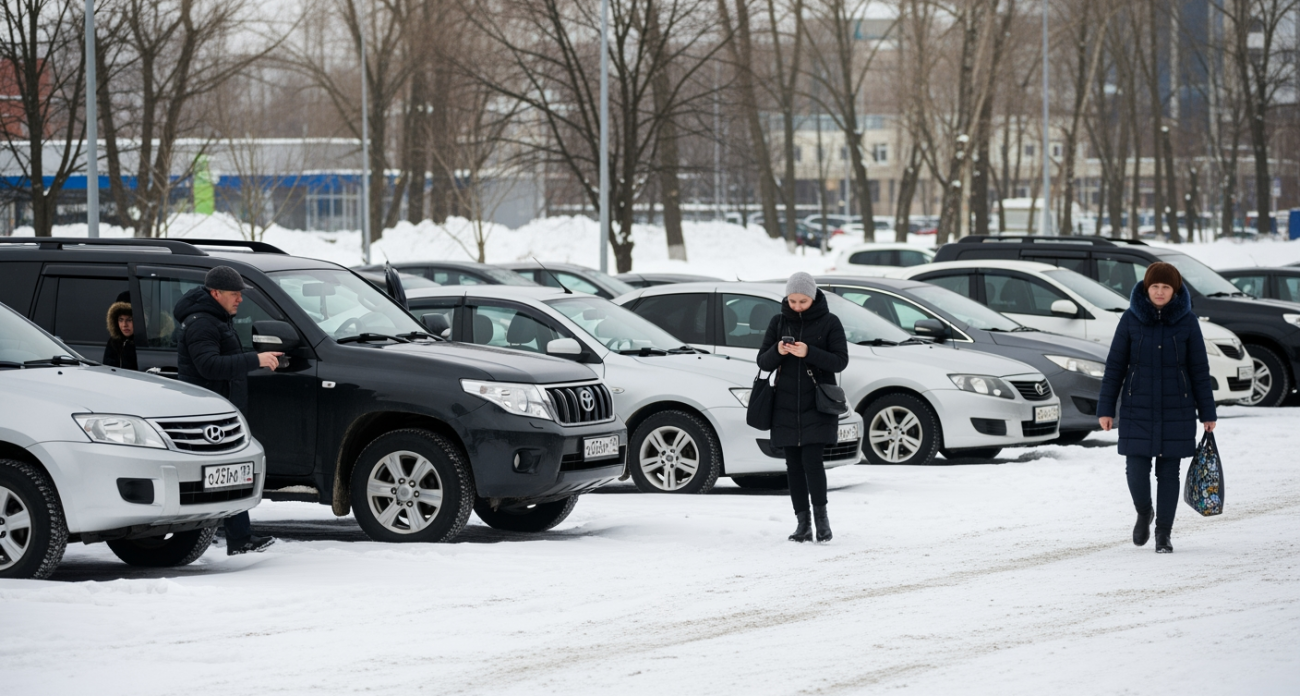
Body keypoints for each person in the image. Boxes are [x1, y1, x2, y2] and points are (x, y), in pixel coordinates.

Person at [1097, 262, 1216, 554]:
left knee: (1169, 472)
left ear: (1174, 290)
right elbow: (1115, 366)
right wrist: (1106, 408)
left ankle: (1164, 533)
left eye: (1165, 287)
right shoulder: (1130, 319)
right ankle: (1143, 511)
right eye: (1155, 287)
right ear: (1146, 289)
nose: (1160, 292)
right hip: (1138, 405)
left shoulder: (1188, 321)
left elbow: (1199, 369)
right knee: (1135, 468)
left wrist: (1208, 412)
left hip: (1178, 407)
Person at [175, 266, 284, 556]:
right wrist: (255, 359)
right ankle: (222, 538)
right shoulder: (202, 323)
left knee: (227, 472)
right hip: (206, 414)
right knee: (219, 473)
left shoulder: (216, 318)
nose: (240, 300)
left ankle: (239, 537)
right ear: (216, 293)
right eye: (235, 294)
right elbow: (208, 366)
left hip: (220, 410)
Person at [757, 272, 849, 543]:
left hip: (817, 404)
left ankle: (822, 521)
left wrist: (809, 352)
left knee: (813, 463)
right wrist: (779, 351)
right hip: (784, 405)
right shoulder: (778, 322)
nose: (797, 306)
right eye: (793, 300)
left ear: (813, 297)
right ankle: (802, 524)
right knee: (793, 466)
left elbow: (840, 361)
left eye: (803, 301)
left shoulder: (830, 322)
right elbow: (763, 361)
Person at [103, 300, 138, 370]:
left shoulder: (146, 342)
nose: (124, 325)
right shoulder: (113, 342)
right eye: (121, 320)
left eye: (129, 320)